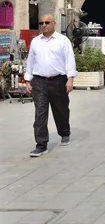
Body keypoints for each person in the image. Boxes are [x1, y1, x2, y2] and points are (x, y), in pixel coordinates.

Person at [24, 14, 77, 157]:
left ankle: (64, 132)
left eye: (47, 22)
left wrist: (70, 79)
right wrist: (28, 81)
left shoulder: (63, 41)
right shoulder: (35, 42)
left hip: (58, 80)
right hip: (39, 81)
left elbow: (69, 61)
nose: (44, 25)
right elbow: (31, 62)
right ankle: (41, 145)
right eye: (41, 22)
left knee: (61, 110)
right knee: (40, 113)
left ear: (54, 23)